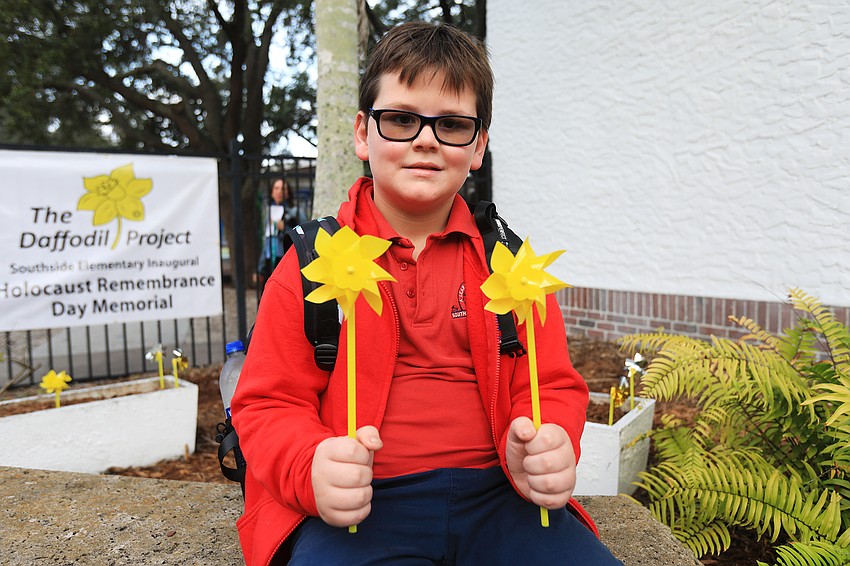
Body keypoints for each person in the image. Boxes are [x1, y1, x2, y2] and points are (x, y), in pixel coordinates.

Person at [231, 21, 622, 566]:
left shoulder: (508, 264)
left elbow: (552, 383)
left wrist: (550, 441)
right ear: (364, 134)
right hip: (357, 510)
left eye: (453, 125)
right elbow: (268, 402)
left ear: (478, 145)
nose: (426, 139)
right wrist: (312, 465)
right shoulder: (310, 264)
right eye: (402, 118)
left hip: (501, 501)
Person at [256, 178, 305, 290]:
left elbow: (303, 236)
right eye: (276, 188)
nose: (279, 191)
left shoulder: (296, 212)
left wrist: (285, 228)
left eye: (283, 189)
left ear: (288, 192)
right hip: (269, 259)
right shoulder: (268, 211)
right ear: (272, 191)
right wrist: (261, 266)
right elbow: (267, 239)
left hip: (286, 259)